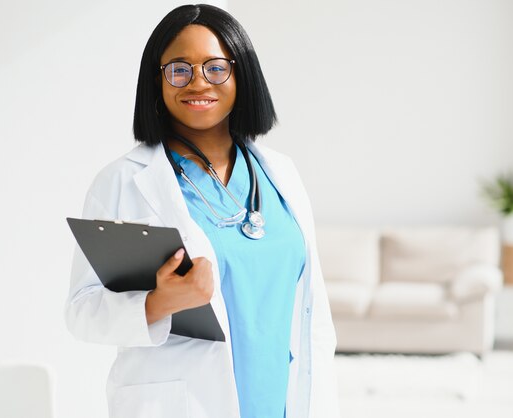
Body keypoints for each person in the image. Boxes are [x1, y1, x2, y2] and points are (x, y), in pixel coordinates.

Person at [65, 4, 339, 418]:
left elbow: (313, 312)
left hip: (283, 402)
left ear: (241, 72)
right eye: (179, 69)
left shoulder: (281, 172)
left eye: (215, 67)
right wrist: (158, 302)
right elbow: (81, 312)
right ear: (156, 80)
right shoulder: (123, 181)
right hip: (184, 404)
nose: (197, 83)